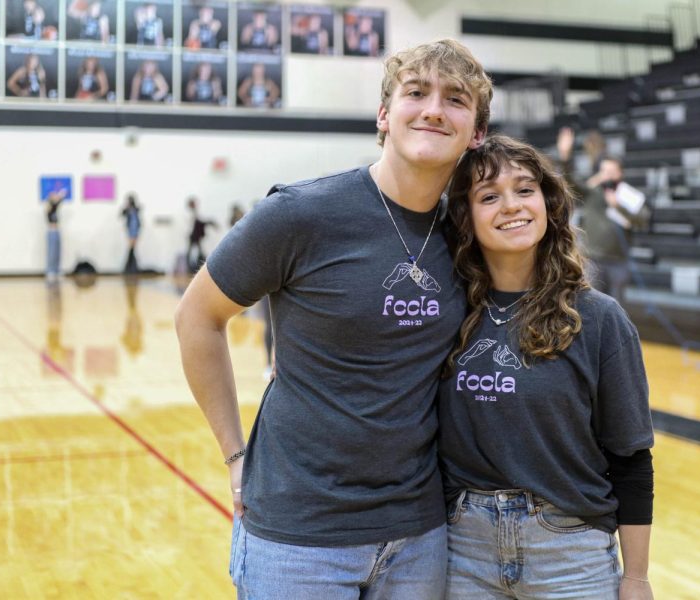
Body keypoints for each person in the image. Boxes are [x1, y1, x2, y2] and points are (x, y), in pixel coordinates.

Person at [174, 38, 491, 598]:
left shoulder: (470, 239)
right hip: (297, 536)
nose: (435, 108)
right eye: (416, 92)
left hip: (419, 535)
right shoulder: (300, 214)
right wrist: (233, 454)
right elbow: (197, 317)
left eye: (456, 99)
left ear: (477, 132)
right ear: (385, 115)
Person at [440, 134, 655, 599]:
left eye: (524, 189)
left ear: (548, 203)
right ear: (466, 217)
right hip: (463, 551)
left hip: (570, 552)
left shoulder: (599, 318)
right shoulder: (445, 315)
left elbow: (632, 458)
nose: (511, 206)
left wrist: (635, 577)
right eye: (489, 196)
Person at [558, 127, 648, 301]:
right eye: (604, 171)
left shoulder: (628, 195)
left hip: (618, 261)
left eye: (611, 172)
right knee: (591, 304)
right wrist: (565, 157)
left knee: (616, 308)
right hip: (593, 260)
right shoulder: (593, 191)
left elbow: (643, 220)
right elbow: (570, 183)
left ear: (620, 173)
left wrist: (619, 206)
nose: (607, 175)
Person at [185, 196, 215, 271]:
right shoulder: (189, 213)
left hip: (195, 235)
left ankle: (202, 266)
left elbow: (199, 222)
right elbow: (194, 223)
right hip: (193, 235)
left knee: (199, 251)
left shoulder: (195, 212)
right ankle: (190, 268)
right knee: (192, 251)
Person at [45, 186, 67, 282]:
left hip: (57, 231)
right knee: (52, 252)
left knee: (57, 252)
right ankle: (50, 271)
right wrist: (60, 194)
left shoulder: (55, 208)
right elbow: (55, 203)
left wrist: (61, 196)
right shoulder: (50, 208)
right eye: (53, 196)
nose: (55, 197)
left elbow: (58, 203)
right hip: (51, 232)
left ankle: (57, 270)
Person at [121, 193, 141, 274]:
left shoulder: (135, 210)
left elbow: (137, 223)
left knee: (132, 250)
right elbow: (122, 213)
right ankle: (131, 268)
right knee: (131, 250)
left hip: (134, 232)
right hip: (131, 232)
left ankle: (131, 268)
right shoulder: (128, 211)